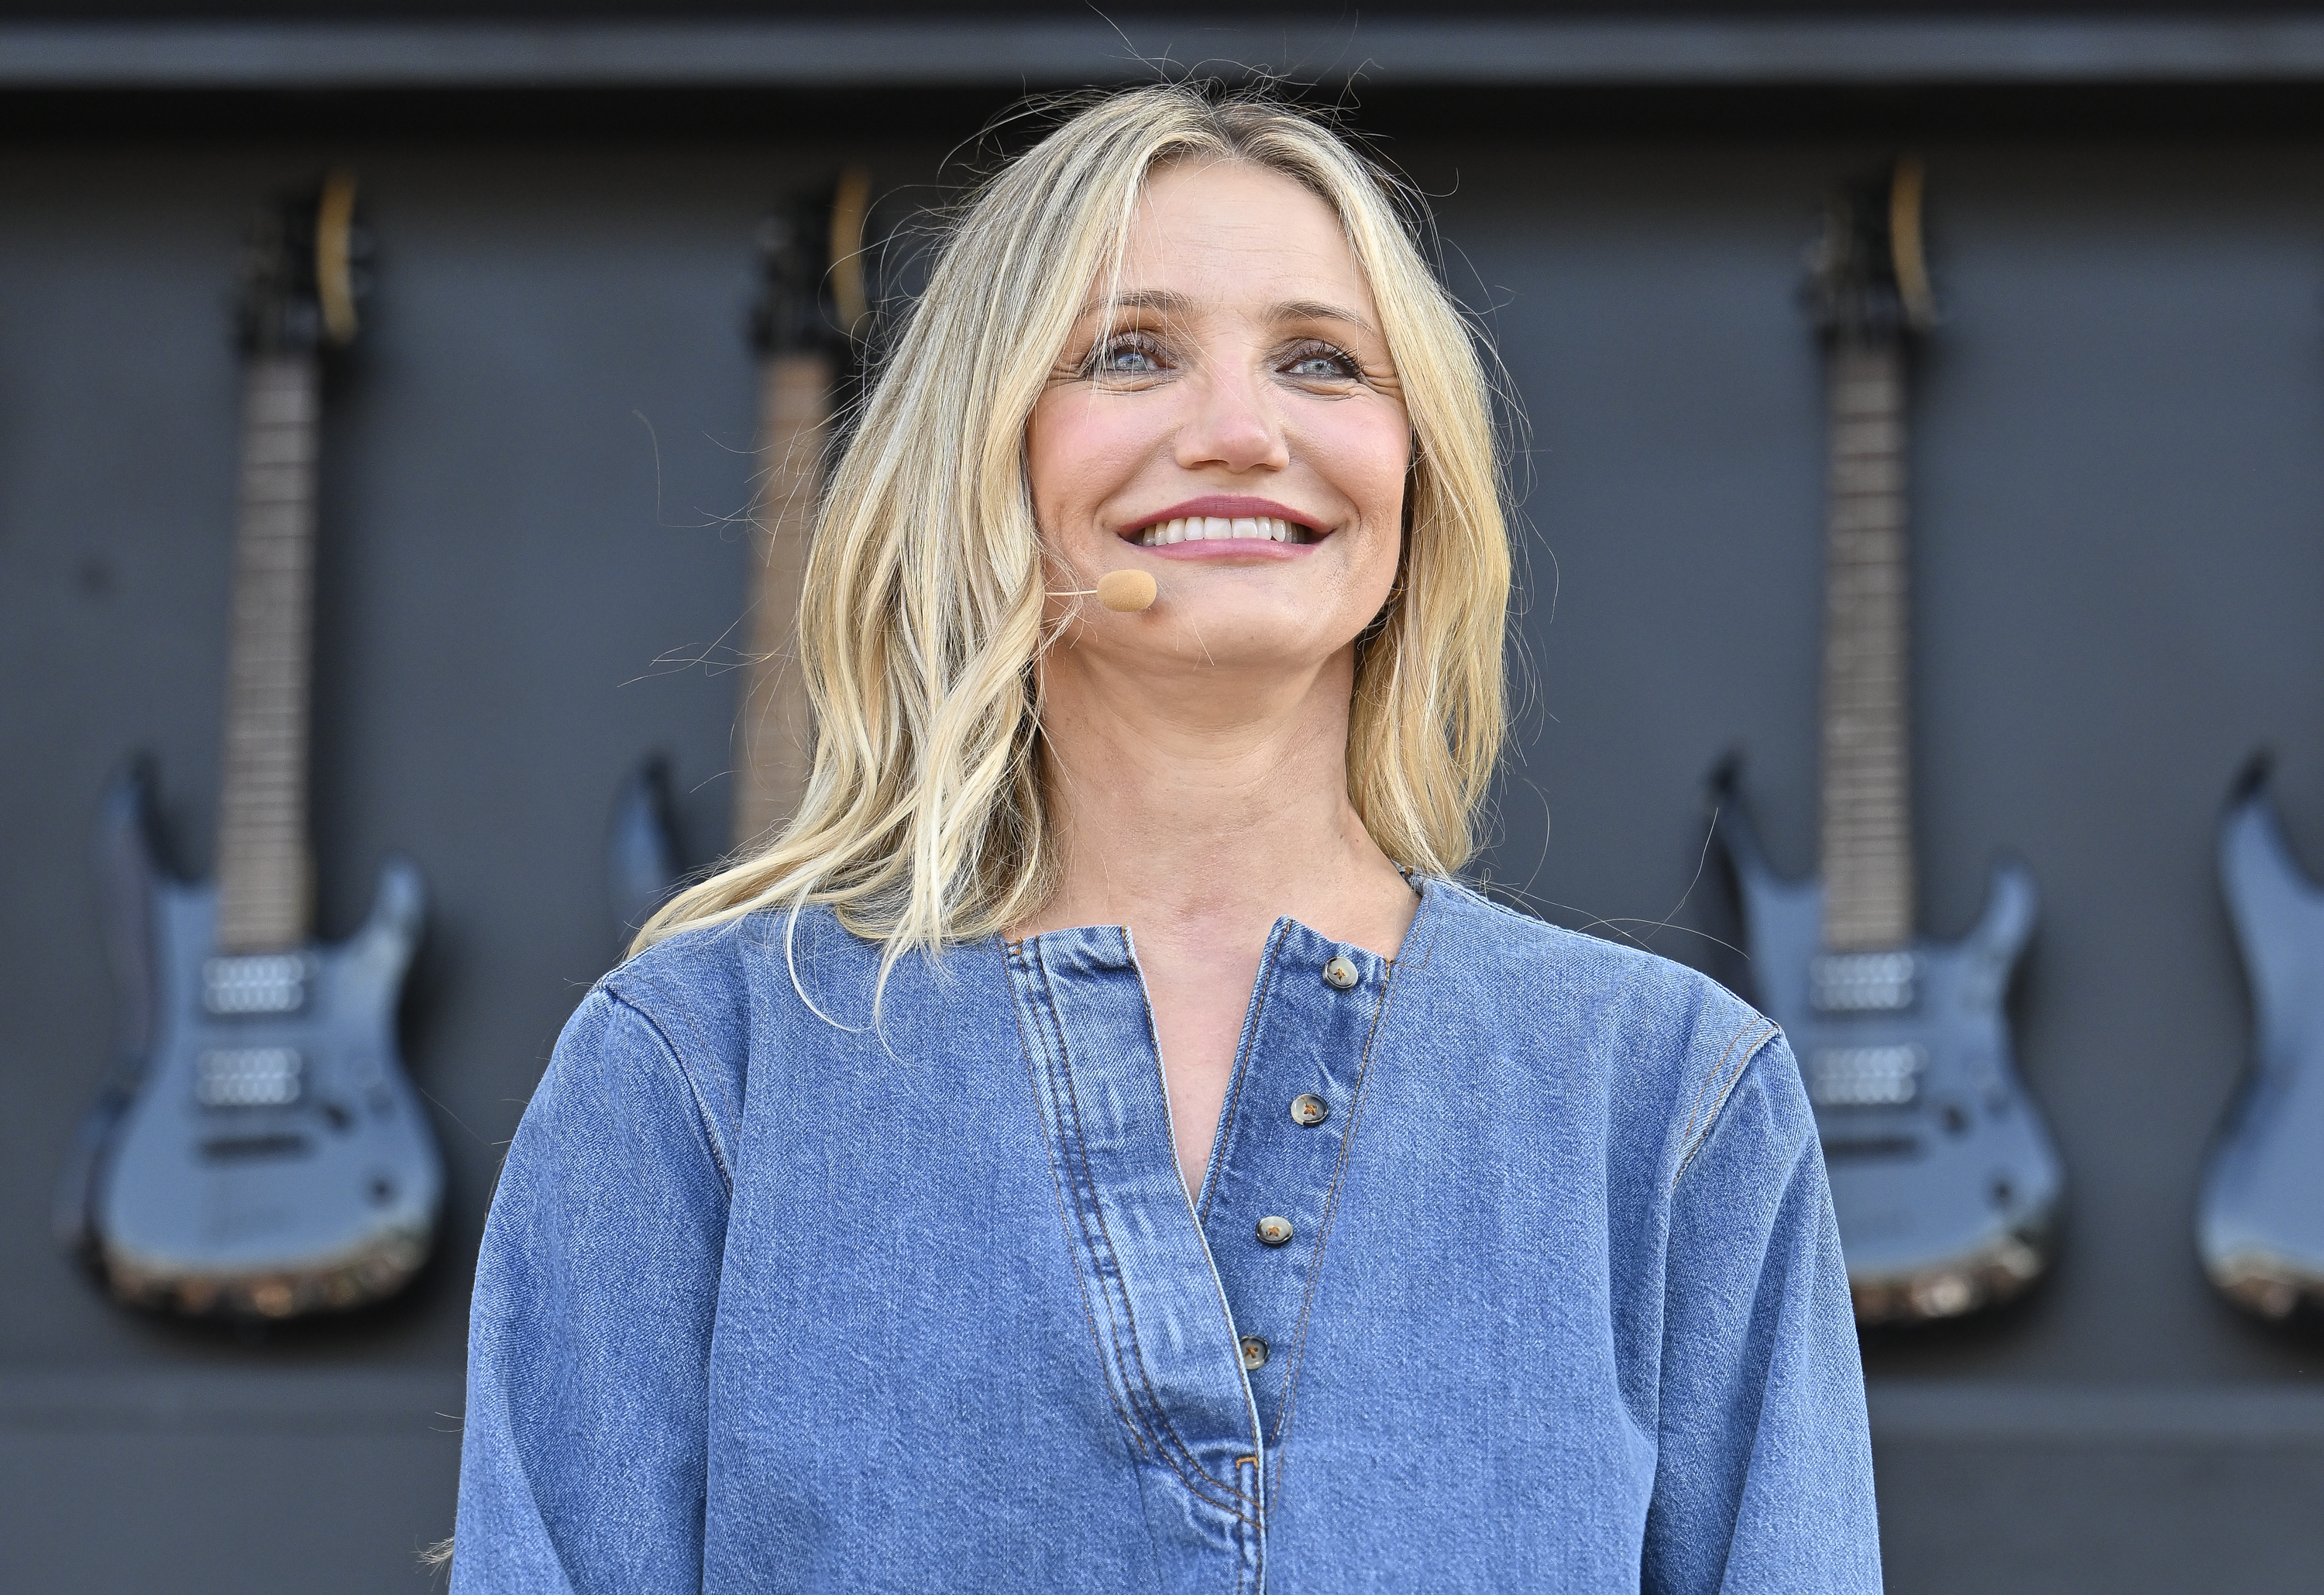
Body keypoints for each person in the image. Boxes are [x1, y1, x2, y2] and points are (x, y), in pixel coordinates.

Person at [451, 84, 1880, 1593]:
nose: (1241, 430)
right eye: (1132, 352)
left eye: (1322, 361)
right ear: (987, 450)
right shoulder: (699, 1072)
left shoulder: (1676, 1109)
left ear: (1417, 468)